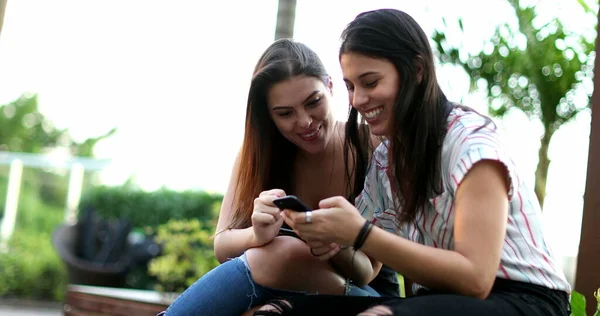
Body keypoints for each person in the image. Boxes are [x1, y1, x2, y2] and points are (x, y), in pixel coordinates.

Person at [278, 8, 571, 316]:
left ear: (416, 70)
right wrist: (334, 240)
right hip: (437, 299)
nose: (357, 100)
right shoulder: (384, 161)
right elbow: (366, 269)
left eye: (370, 82)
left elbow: (476, 279)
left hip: (525, 300)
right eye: (351, 86)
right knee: (280, 309)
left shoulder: (470, 144)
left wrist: (359, 233)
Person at [160, 38, 400, 316]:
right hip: (277, 289)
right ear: (269, 116)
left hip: (364, 298)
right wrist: (256, 235)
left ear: (330, 86)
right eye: (285, 113)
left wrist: (334, 245)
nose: (305, 122)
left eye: (313, 102)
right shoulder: (259, 155)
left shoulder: (371, 148)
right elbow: (222, 246)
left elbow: (368, 273)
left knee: (284, 252)